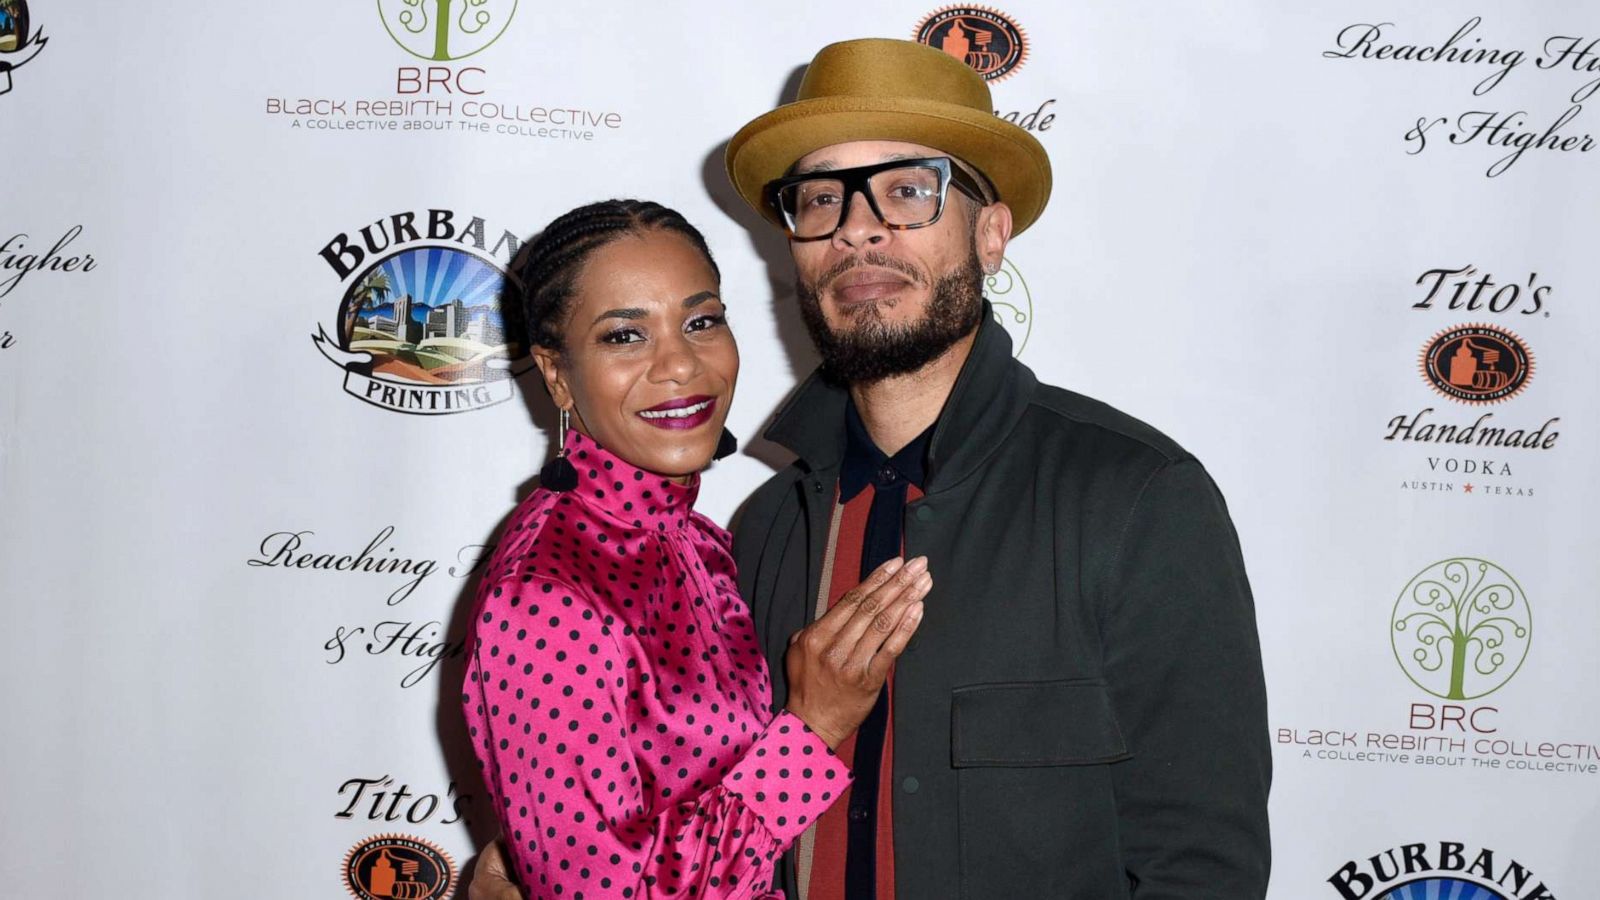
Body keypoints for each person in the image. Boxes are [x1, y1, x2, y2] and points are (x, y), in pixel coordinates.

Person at [476, 39, 1271, 899]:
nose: (858, 228)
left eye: (906, 191)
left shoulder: (1132, 498)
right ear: (796, 252)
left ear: (991, 233)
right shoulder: (764, 528)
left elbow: (1201, 869)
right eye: (821, 200)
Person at [461, 198, 933, 900]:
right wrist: (813, 727)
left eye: (701, 322)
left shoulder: (697, 540)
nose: (680, 364)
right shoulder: (546, 593)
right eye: (624, 336)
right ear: (557, 374)